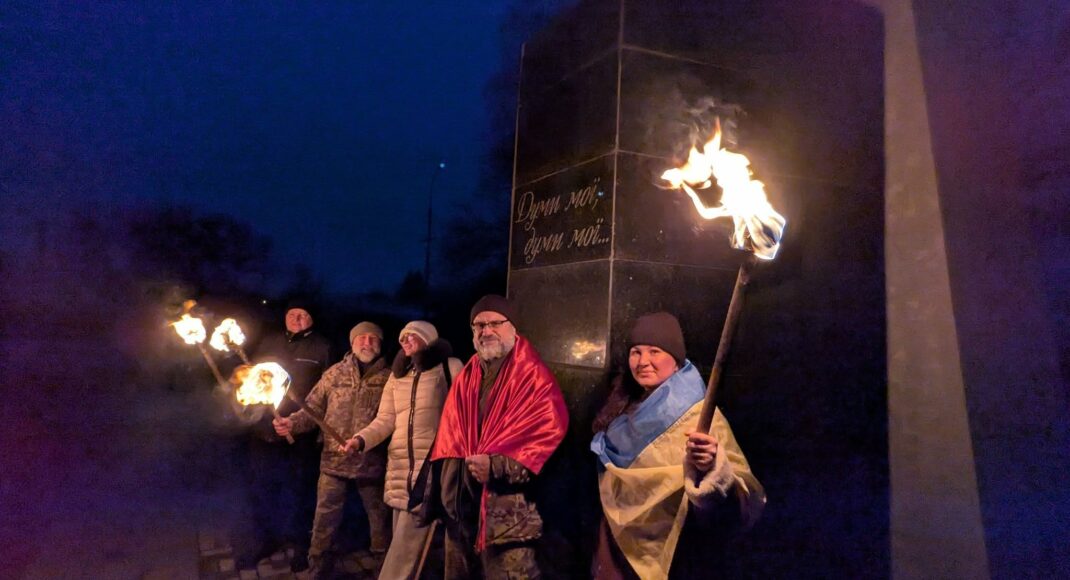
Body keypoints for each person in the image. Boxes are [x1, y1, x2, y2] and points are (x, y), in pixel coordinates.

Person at [590, 312, 766, 579]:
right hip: (617, 549)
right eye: (636, 352)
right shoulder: (625, 408)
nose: (643, 361)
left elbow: (743, 492)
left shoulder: (700, 415)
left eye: (655, 351)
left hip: (678, 554)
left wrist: (712, 468)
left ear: (676, 361)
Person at [431, 295, 569, 579]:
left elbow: (546, 442)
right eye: (479, 325)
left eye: (495, 323)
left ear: (513, 328)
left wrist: (495, 466)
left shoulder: (533, 378)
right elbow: (451, 438)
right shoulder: (468, 375)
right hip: (461, 515)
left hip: (507, 523)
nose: (486, 331)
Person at [342, 320, 463, 579]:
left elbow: (464, 413)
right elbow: (385, 420)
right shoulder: (398, 377)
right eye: (402, 338)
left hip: (430, 467)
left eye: (411, 337)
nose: (404, 341)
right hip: (398, 468)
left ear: (428, 338)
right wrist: (361, 440)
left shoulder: (449, 367)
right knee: (405, 544)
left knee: (405, 551)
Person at [273, 321, 392, 578]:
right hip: (333, 462)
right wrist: (290, 423)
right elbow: (312, 410)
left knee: (380, 521)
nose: (367, 343)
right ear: (352, 343)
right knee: (324, 521)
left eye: (373, 338)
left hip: (371, 462)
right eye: (361, 338)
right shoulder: (334, 374)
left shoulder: (391, 377)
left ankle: (386, 569)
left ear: (381, 344)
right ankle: (318, 567)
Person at [238, 299, 333, 572]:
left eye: (304, 314)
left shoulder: (322, 347)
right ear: (285, 316)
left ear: (312, 319)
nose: (298, 319)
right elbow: (252, 380)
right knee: (263, 488)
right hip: (265, 431)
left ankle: (299, 544)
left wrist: (307, 427)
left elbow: (327, 393)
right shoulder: (269, 343)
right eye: (293, 313)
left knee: (300, 491)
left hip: (300, 435)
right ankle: (265, 540)